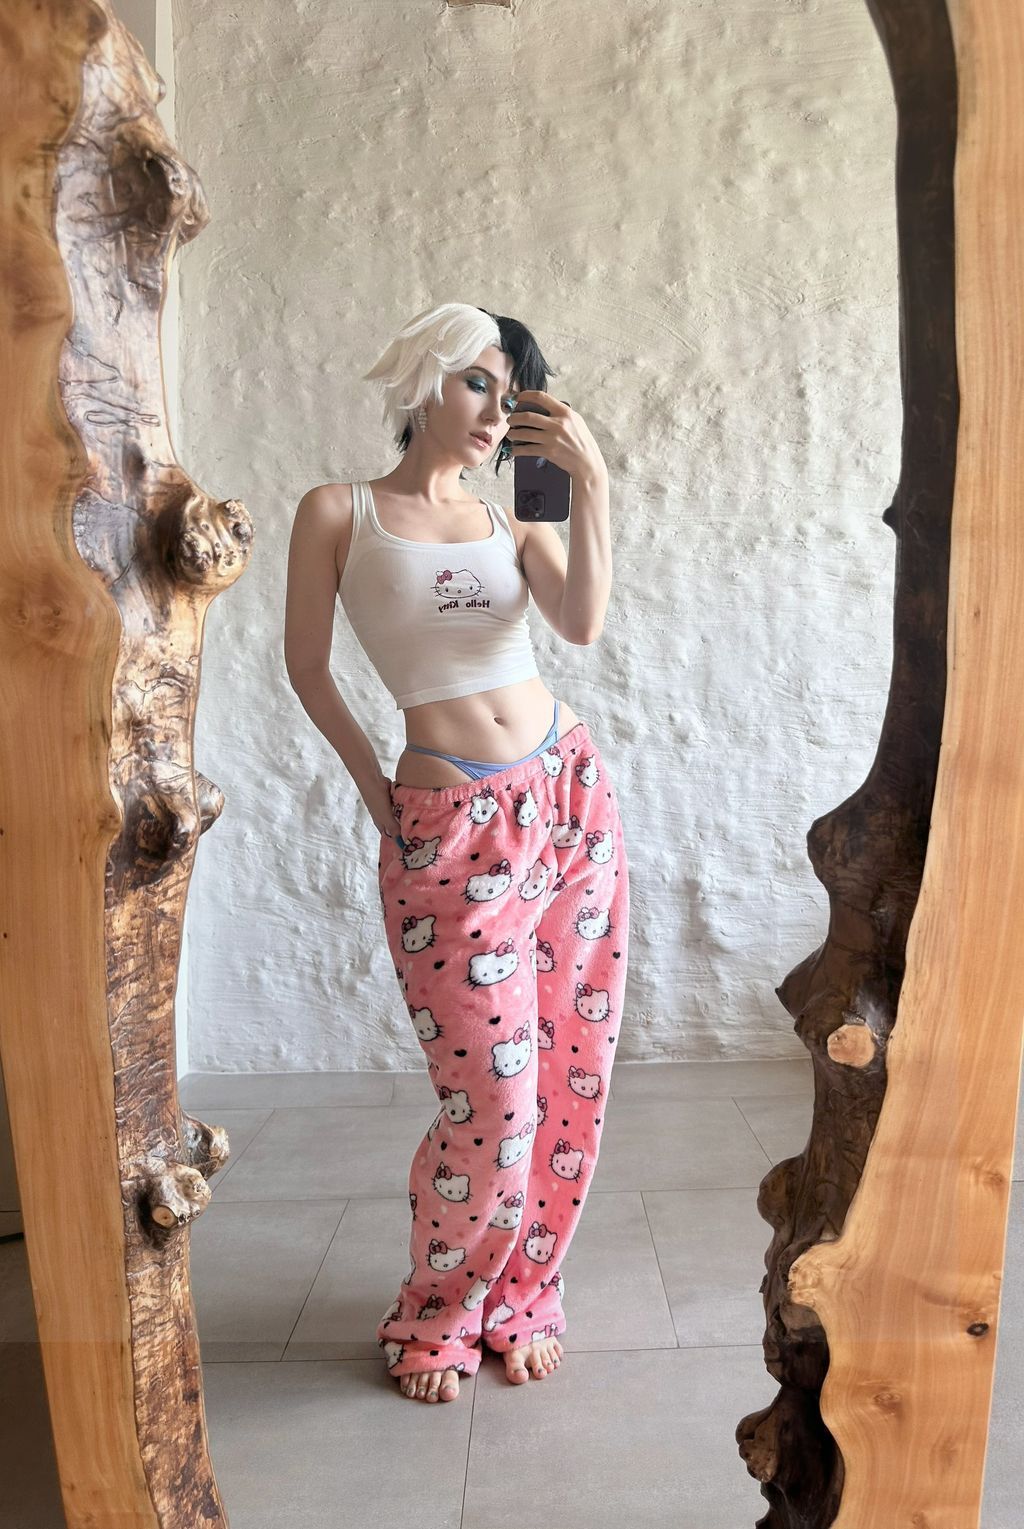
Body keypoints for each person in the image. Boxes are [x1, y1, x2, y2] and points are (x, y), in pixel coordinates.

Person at [284, 301, 630, 1405]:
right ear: (428, 378)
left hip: (566, 798)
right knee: (494, 1098)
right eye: (478, 382)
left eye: (511, 394)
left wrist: (591, 482)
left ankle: (524, 1294)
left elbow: (579, 622)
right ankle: (438, 1309)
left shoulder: (512, 513)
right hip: (450, 823)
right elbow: (307, 667)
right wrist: (375, 794)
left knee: (568, 1074)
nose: (493, 411)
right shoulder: (337, 511)